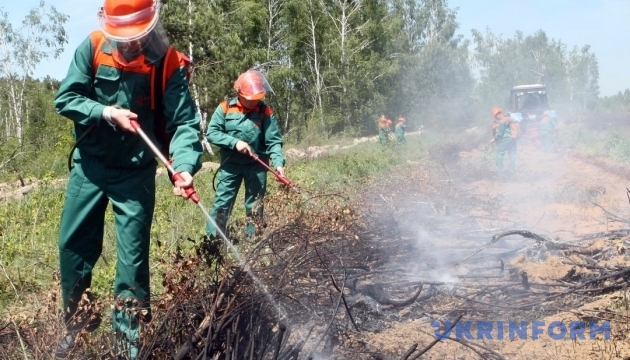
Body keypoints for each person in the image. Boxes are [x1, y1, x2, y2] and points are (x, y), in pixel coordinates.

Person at [53, 0, 203, 358]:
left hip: (134, 176)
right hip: (90, 168)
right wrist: (105, 112)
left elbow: (184, 123)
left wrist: (182, 164)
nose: (129, 43)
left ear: (150, 26)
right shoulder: (91, 47)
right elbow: (66, 99)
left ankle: (127, 345)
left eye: (137, 36)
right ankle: (77, 324)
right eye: (122, 37)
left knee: (132, 264)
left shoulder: (167, 62)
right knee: (71, 247)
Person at [205, 69, 286, 241]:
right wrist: (235, 143)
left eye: (258, 99)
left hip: (257, 166)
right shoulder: (225, 108)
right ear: (240, 94)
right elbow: (212, 132)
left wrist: (278, 164)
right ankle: (214, 243)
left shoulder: (265, 111)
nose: (255, 102)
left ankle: (252, 241)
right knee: (222, 205)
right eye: (251, 100)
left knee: (255, 205)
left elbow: (274, 141)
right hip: (230, 166)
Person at [490, 107, 518, 173]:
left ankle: (499, 171)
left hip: (506, 138)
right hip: (513, 138)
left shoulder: (502, 121)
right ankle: (511, 170)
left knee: (499, 153)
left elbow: (500, 134)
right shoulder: (508, 118)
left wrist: (494, 139)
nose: (495, 118)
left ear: (498, 114)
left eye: (495, 116)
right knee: (512, 153)